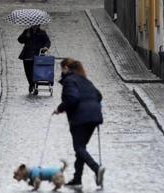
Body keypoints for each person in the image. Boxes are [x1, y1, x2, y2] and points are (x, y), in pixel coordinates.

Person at [53, 58, 105, 189]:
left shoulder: (70, 81)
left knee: (79, 148)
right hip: (94, 117)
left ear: (66, 68)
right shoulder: (85, 80)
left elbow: (73, 98)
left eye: (62, 69)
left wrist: (60, 108)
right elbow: (98, 95)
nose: (61, 72)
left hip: (80, 118)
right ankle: (77, 179)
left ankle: (96, 168)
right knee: (81, 148)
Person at [17, 25, 51, 94]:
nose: (35, 26)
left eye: (37, 25)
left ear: (39, 25)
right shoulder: (27, 31)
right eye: (34, 25)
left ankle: (35, 85)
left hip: (37, 55)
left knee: (36, 72)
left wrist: (45, 47)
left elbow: (47, 42)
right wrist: (26, 36)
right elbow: (20, 40)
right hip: (27, 55)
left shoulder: (42, 32)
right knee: (28, 72)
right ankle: (31, 84)